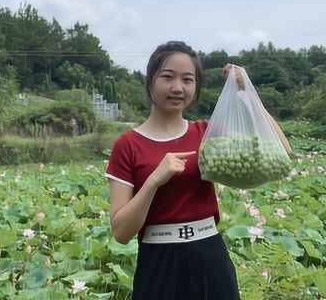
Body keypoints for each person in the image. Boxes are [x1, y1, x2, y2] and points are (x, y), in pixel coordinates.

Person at [105, 40, 292, 300]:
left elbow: (283, 150)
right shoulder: (128, 145)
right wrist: (153, 182)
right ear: (149, 80)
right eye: (168, 77)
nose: (177, 88)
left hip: (210, 257)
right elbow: (121, 233)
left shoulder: (207, 135)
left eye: (188, 80)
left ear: (196, 86)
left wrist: (247, 93)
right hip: (159, 263)